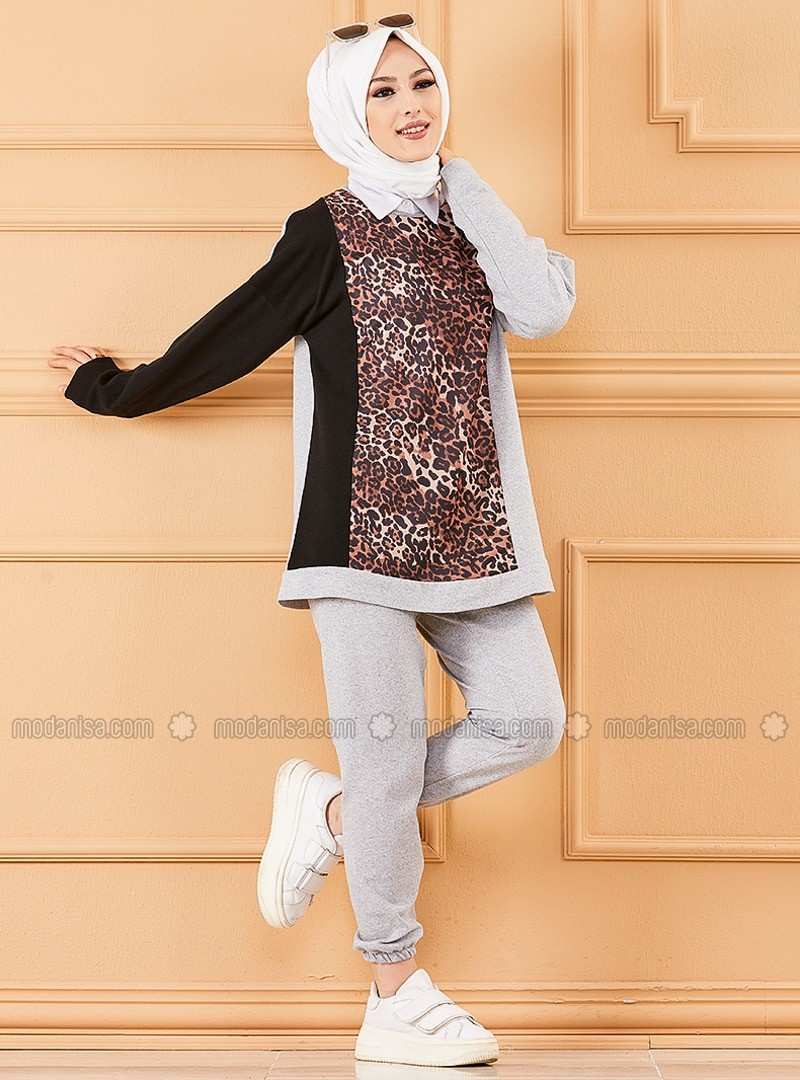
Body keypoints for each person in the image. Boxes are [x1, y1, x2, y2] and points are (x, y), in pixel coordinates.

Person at [51, 14, 576, 1069]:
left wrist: (467, 188)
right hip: (359, 543)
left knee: (528, 723)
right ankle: (393, 990)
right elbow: (233, 332)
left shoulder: (474, 221)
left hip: (475, 538)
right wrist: (115, 387)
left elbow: (539, 309)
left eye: (420, 83)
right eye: (381, 91)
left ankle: (332, 812)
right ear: (345, 110)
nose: (410, 105)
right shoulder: (326, 230)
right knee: (384, 757)